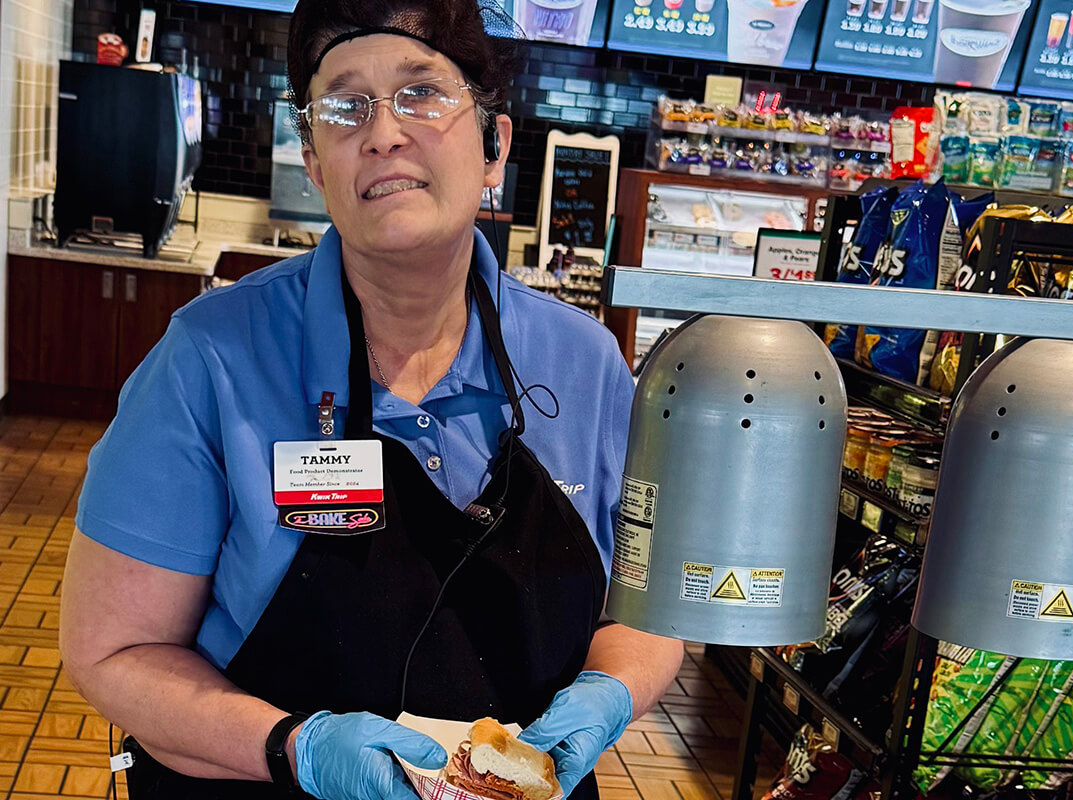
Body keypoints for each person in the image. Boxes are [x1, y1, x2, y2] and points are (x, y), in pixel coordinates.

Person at [57, 0, 684, 796]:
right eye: (345, 106)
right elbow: (113, 652)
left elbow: (646, 606)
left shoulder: (587, 365)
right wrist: (296, 747)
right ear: (317, 164)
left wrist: (613, 690)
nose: (384, 132)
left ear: (495, 145)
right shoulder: (212, 361)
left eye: (422, 92)